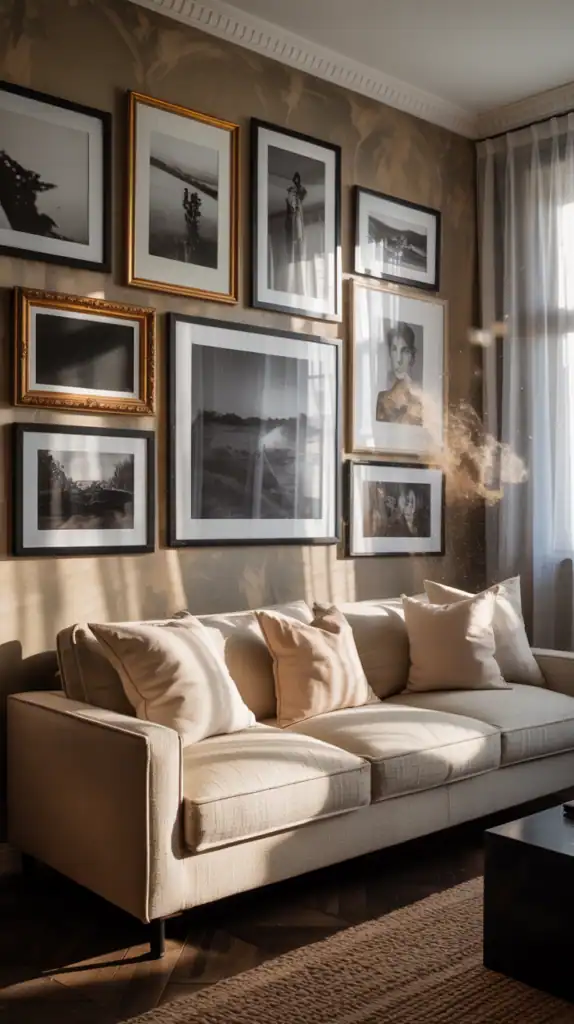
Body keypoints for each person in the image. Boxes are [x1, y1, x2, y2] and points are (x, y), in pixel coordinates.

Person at [375, 322, 423, 425]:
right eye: (394, 350)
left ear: (411, 357)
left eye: (404, 351)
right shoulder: (382, 398)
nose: (398, 360)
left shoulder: (418, 401)